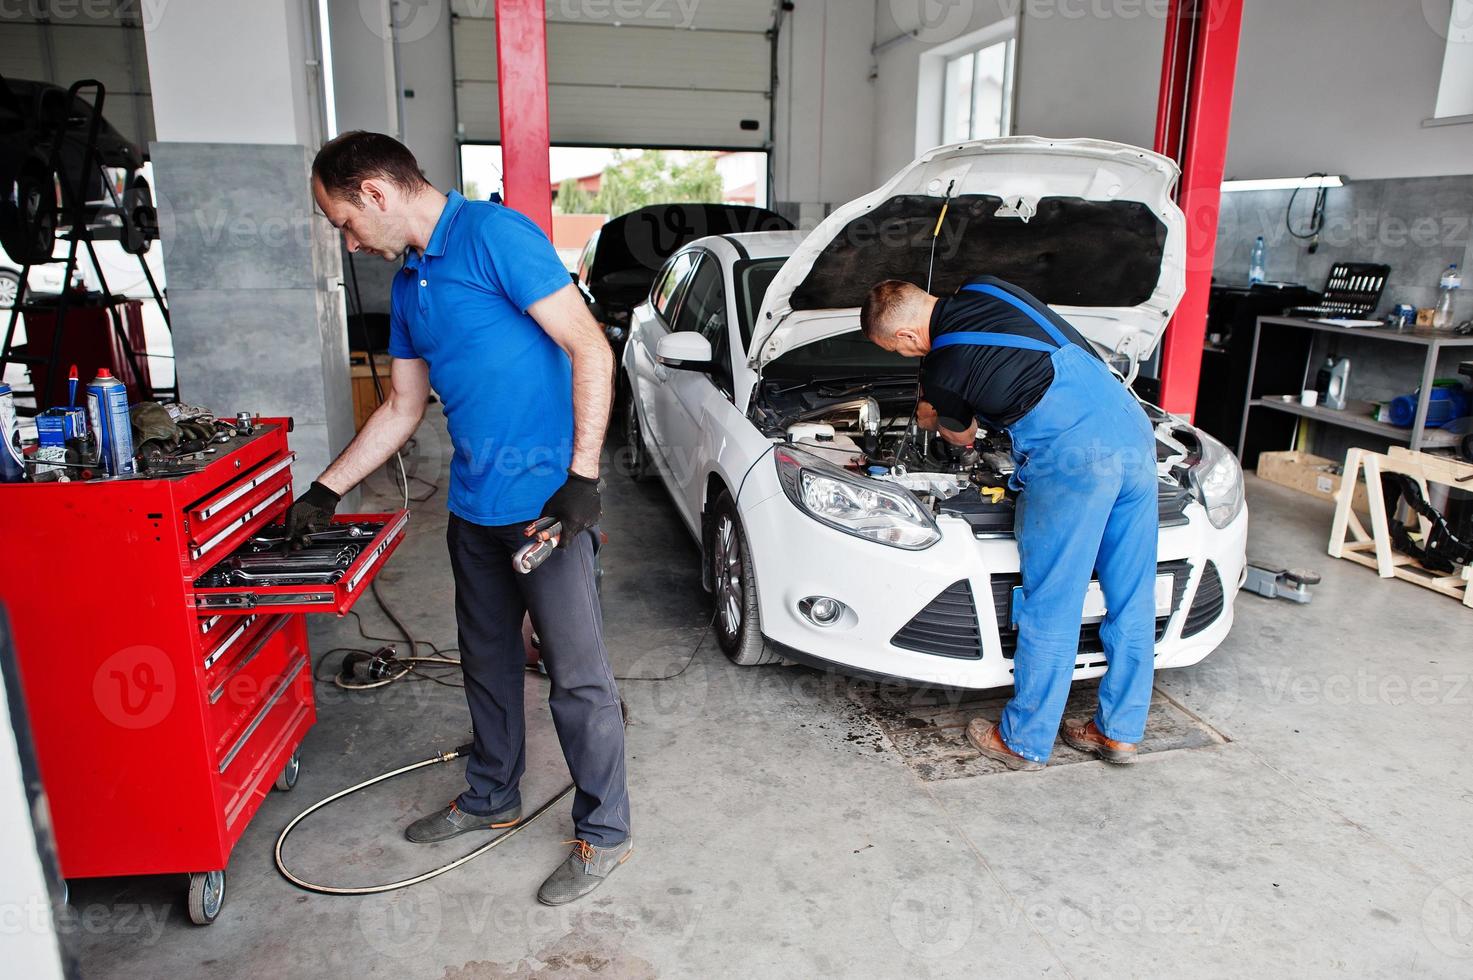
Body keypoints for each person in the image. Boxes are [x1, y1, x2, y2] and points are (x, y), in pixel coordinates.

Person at [291, 131, 630, 905]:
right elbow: (404, 406)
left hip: (547, 511)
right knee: (485, 662)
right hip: (473, 508)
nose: (348, 239)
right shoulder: (409, 285)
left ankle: (604, 832)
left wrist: (581, 479)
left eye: (344, 221)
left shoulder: (495, 236)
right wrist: (326, 489)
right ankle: (491, 795)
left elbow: (589, 348)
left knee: (577, 679)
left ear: (375, 192)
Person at [860, 276, 1159, 770]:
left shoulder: (943, 367)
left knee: (1052, 603)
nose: (906, 357)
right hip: (1131, 430)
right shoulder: (987, 287)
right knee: (1133, 594)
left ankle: (1024, 739)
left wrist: (933, 415)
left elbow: (963, 438)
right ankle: (1120, 732)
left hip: (1072, 461)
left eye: (897, 351)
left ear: (907, 338)